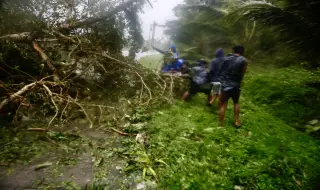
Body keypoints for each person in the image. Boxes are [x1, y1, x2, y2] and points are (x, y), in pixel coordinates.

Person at [218, 45, 247, 127]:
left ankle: (220, 124)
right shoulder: (244, 61)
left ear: (233, 50)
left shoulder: (227, 58)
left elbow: (221, 71)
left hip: (226, 84)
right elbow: (243, 73)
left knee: (223, 103)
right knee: (236, 102)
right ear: (242, 52)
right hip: (236, 84)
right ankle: (237, 121)